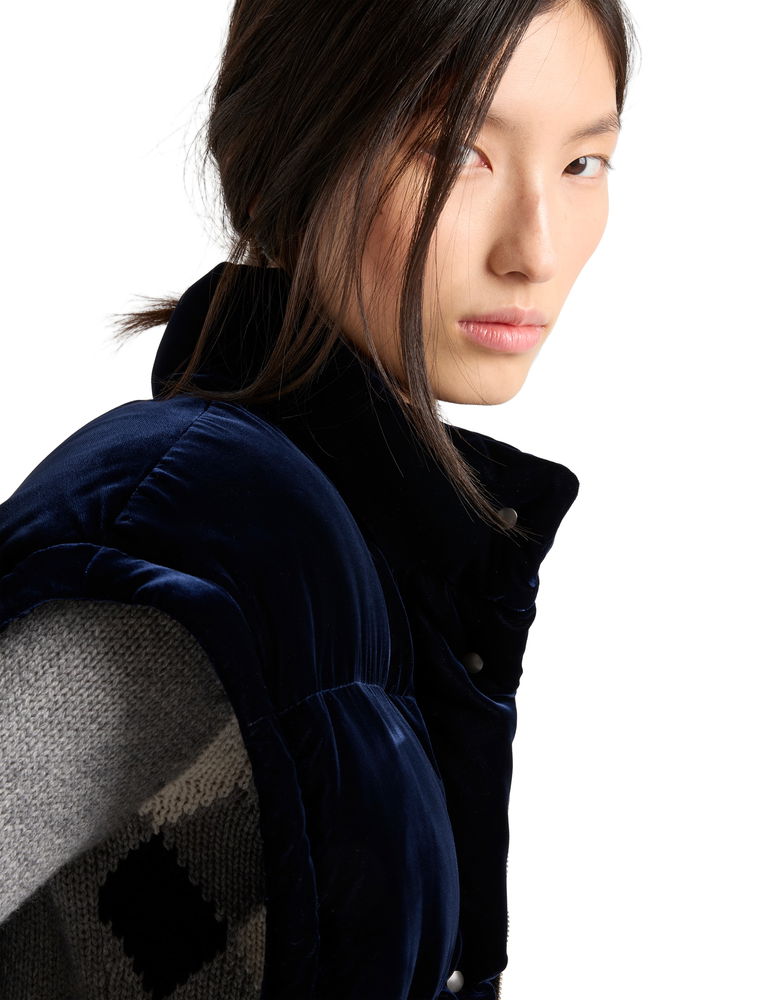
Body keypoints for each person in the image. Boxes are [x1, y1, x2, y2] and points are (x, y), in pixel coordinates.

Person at [0, 0, 638, 997]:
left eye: (581, 163)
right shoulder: (180, 536)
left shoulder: (370, 552)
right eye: (455, 154)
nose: (536, 250)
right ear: (286, 156)